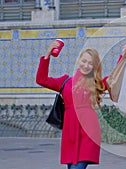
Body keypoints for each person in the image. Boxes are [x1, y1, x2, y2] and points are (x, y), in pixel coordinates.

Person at [36, 40, 108, 169]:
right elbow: (41, 80)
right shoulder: (65, 81)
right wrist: (48, 54)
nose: (86, 65)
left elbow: (114, 79)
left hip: (88, 131)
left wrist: (125, 56)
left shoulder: (96, 83)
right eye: (84, 61)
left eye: (90, 63)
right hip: (70, 131)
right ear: (79, 60)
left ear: (94, 66)